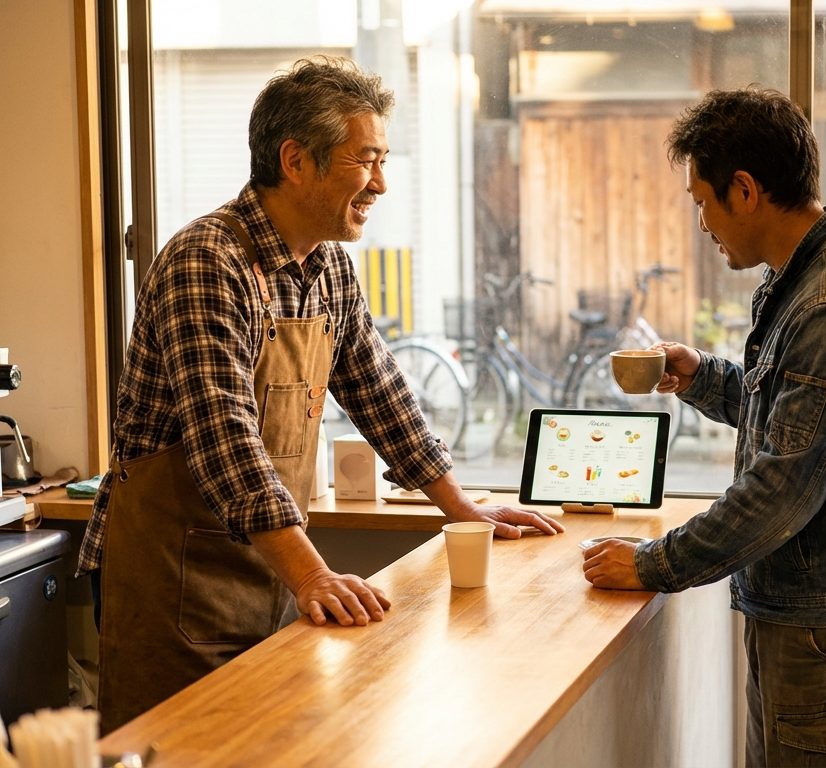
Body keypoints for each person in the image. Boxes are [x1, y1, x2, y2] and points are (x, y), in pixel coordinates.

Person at [77, 56, 564, 733]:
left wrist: (463, 509)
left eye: (383, 161)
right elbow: (226, 441)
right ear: (296, 161)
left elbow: (380, 390)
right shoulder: (207, 260)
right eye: (365, 160)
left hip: (265, 571)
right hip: (169, 582)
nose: (381, 183)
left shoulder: (327, 266)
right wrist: (312, 576)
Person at [581, 87, 826, 766]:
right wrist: (702, 378)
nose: (702, 224)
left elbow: (779, 491)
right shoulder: (808, 278)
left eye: (702, 201)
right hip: (814, 619)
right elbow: (800, 425)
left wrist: (650, 563)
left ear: (743, 190)